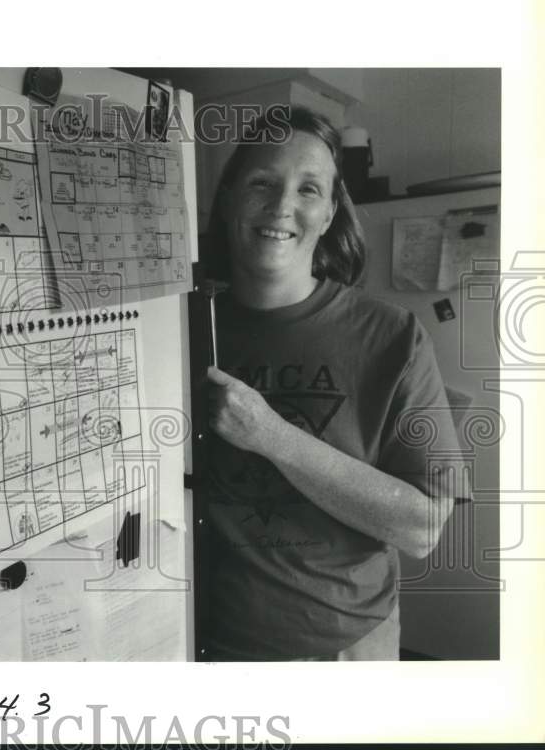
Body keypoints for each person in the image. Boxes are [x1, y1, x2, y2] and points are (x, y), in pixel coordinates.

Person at [195, 107, 469, 661]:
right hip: (204, 641)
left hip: (347, 651)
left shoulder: (392, 335)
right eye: (262, 183)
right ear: (227, 200)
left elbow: (423, 529)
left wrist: (270, 435)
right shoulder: (176, 325)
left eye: (309, 189)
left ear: (327, 217)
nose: (281, 207)